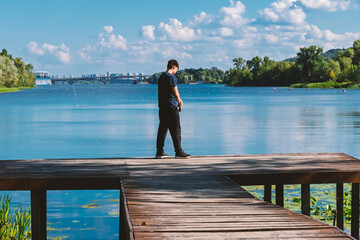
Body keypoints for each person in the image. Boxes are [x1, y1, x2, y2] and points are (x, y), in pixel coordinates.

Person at [155, 59, 191, 159]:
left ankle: (159, 152)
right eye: (176, 70)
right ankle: (178, 152)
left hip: (162, 107)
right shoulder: (171, 77)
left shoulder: (161, 77)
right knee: (176, 129)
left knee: (162, 129)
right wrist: (179, 102)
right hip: (171, 106)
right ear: (174, 67)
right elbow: (175, 92)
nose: (176, 72)